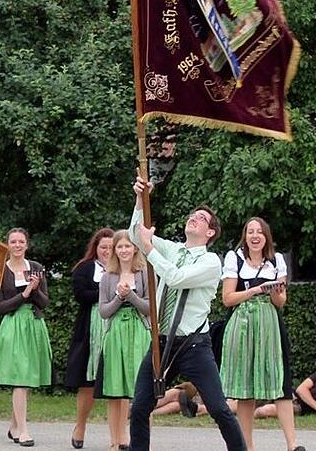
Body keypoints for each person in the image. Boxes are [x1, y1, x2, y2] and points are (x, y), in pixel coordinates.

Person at [127, 175, 245, 451]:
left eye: (201, 218)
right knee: (141, 405)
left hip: (193, 344)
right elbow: (136, 233)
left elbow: (177, 278)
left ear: (210, 232)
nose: (194, 218)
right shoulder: (173, 249)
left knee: (218, 408)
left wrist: (149, 249)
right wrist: (140, 199)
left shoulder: (210, 261)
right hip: (162, 341)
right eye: (192, 215)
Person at [218, 217, 302, 451]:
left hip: (270, 325)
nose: (255, 236)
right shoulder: (234, 259)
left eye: (259, 232)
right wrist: (255, 289)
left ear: (266, 236)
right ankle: (247, 446)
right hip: (242, 323)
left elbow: (280, 302)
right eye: (250, 231)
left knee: (281, 379)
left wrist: (276, 290)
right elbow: (227, 299)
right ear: (245, 236)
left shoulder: (276, 262)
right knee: (246, 388)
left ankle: (292, 445)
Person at [0, 228, 51, 447]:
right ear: (7, 245)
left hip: (34, 324)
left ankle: (14, 426)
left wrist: (34, 291)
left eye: (21, 242)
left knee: (25, 379)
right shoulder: (0, 270)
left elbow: (44, 302)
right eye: (13, 242)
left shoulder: (35, 268)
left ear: (27, 245)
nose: (17, 245)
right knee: (20, 378)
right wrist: (24, 294)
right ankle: (24, 430)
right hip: (12, 325)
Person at [95, 230, 150, 451]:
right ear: (114, 250)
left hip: (138, 332)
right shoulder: (108, 277)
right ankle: (116, 441)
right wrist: (119, 296)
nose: (124, 250)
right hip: (115, 333)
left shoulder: (144, 273)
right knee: (115, 390)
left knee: (142, 391)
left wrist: (131, 295)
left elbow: (149, 308)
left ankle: (142, 441)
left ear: (135, 248)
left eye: (128, 246)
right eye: (120, 247)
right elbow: (103, 311)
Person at [64, 228, 113, 449]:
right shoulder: (85, 269)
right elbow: (80, 294)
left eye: (111, 247)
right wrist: (109, 295)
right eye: (103, 247)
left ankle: (119, 438)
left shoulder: (124, 269)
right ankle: (80, 425)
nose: (107, 251)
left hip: (116, 327)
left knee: (119, 383)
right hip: (88, 330)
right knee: (87, 384)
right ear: (96, 248)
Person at [255, 346, 316, 418]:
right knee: (252, 399)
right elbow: (301, 389)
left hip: (299, 407)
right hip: (290, 394)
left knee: (264, 411)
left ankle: (246, 423)